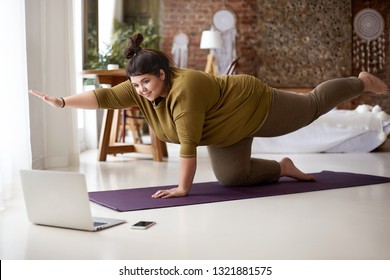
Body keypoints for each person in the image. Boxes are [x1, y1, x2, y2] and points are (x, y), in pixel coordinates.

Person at [30, 33, 389, 199]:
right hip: (224, 129)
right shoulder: (141, 90)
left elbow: (187, 145)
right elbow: (104, 96)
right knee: (234, 177)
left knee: (310, 107)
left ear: (163, 73)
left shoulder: (187, 91)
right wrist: (62, 102)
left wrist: (183, 188)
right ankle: (283, 167)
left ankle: (359, 82)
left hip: (253, 105)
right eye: (136, 85)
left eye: (146, 83)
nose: (141, 91)